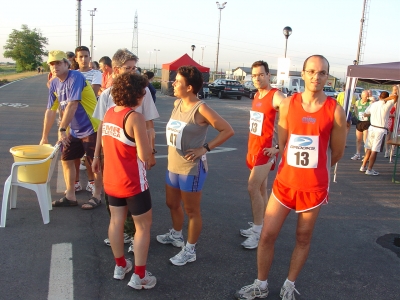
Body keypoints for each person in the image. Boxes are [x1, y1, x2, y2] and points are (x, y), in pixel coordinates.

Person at [235, 55, 346, 300]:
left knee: (303, 237)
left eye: (322, 73)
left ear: (328, 76)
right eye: (312, 71)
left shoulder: (335, 111)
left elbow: (336, 152)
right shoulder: (288, 105)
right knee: (267, 235)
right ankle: (260, 284)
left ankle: (289, 283)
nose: (317, 77)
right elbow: (283, 145)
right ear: (303, 74)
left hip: (314, 188)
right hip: (285, 184)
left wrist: (315, 170)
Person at [156, 65, 234, 266]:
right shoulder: (177, 104)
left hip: (191, 169)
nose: (173, 83)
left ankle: (190, 249)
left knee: (192, 211)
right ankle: (176, 235)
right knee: (171, 204)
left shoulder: (201, 109)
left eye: (178, 81)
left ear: (189, 87)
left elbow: (227, 130)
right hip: (173, 165)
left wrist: (205, 148)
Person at [92, 48, 159, 253]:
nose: (132, 72)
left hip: (132, 148)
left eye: (134, 68)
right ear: (116, 70)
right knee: (121, 206)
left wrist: (151, 150)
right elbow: (101, 126)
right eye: (128, 68)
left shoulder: (143, 90)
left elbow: (149, 124)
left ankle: (128, 241)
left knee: (127, 206)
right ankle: (124, 239)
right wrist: (96, 155)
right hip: (115, 151)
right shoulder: (107, 95)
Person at [95, 71, 156, 289]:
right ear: (138, 94)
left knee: (116, 222)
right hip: (133, 181)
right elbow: (145, 156)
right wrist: (151, 144)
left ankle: (120, 265)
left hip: (111, 179)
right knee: (143, 227)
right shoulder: (135, 118)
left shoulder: (110, 112)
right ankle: (140, 275)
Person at [40, 50, 102, 209]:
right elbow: (50, 110)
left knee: (93, 162)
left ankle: (97, 195)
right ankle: (70, 195)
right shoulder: (54, 83)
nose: (55, 67)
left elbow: (72, 104)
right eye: (52, 64)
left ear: (67, 64)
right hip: (74, 130)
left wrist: (62, 129)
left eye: (58, 63)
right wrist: (44, 137)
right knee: (66, 158)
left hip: (91, 127)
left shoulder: (76, 77)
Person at [241, 60, 285, 249]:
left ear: (269, 75)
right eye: (254, 75)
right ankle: (264, 225)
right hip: (254, 147)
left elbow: (292, 120)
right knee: (261, 189)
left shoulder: (277, 97)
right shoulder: (258, 95)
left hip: (266, 150)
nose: (257, 78)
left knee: (252, 187)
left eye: (261, 74)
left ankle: (259, 231)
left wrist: (278, 147)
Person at [360, 90, 399, 175]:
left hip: (372, 128)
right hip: (380, 129)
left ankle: (363, 166)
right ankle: (369, 169)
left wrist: (374, 113)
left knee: (369, 148)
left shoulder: (374, 104)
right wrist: (386, 100)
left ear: (379, 97)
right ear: (387, 98)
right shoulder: (387, 104)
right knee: (374, 150)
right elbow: (396, 97)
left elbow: (366, 114)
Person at [350, 91, 371, 160]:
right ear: (361, 96)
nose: (366, 98)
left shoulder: (370, 102)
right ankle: (357, 154)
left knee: (365, 140)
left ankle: (366, 155)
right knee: (358, 139)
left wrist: (367, 115)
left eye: (367, 96)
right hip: (359, 122)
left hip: (367, 122)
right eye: (365, 96)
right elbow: (355, 108)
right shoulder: (357, 102)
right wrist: (356, 115)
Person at [385, 85, 399, 157]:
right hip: (391, 119)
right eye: (394, 89)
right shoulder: (390, 97)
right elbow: (386, 110)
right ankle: (387, 151)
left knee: (396, 135)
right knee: (389, 135)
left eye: (397, 89)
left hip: (397, 120)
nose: (396, 91)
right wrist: (391, 115)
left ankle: (392, 150)